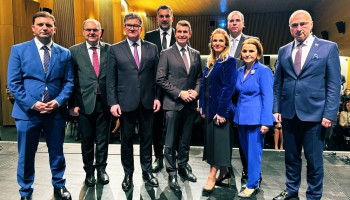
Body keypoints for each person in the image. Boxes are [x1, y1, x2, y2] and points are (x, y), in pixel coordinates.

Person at [273, 10, 341, 200]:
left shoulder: (328, 48)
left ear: (311, 24)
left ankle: (313, 196)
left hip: (316, 115)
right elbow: (278, 83)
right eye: (294, 25)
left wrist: (330, 114)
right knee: (291, 158)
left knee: (314, 161)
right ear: (290, 28)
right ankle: (291, 190)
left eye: (303, 24)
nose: (299, 28)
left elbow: (333, 84)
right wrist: (276, 109)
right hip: (289, 113)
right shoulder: (284, 50)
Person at [7, 11, 74, 200]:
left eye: (48, 25)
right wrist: (33, 103)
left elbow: (69, 82)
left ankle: (59, 185)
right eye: (40, 24)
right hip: (27, 113)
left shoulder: (65, 53)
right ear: (33, 28)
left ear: (54, 29)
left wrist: (59, 101)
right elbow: (14, 83)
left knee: (57, 152)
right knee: (26, 155)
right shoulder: (18, 49)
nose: (44, 28)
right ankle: (26, 191)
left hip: (55, 112)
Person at [106, 12, 161, 192]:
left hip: (147, 102)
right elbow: (111, 79)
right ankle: (128, 174)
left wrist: (157, 97)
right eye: (128, 25)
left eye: (135, 25)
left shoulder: (152, 48)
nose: (132, 28)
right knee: (126, 141)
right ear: (124, 28)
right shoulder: (114, 49)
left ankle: (147, 172)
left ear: (141, 27)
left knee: (147, 140)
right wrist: (113, 102)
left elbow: (157, 77)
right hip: (125, 103)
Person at [156, 20, 202, 192]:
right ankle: (172, 172)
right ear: (176, 34)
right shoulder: (166, 53)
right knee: (170, 141)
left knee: (185, 141)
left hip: (190, 106)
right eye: (179, 31)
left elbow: (198, 77)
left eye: (185, 32)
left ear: (190, 34)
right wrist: (179, 93)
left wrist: (196, 92)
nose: (182, 34)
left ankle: (183, 167)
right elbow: (160, 79)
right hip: (172, 104)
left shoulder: (196, 54)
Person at [68, 19, 111, 187]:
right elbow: (71, 79)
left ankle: (101, 169)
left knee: (103, 140)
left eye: (95, 30)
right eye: (88, 30)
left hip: (105, 102)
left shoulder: (110, 50)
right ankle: (89, 171)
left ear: (101, 31)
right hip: (84, 103)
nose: (92, 32)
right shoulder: (74, 51)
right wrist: (72, 104)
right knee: (87, 141)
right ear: (83, 31)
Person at [226, 10, 264, 188]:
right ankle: (226, 169)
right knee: (234, 138)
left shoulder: (252, 41)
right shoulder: (222, 41)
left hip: (247, 96)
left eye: (237, 21)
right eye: (231, 21)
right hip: (229, 97)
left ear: (243, 23)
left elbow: (258, 72)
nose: (234, 23)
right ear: (228, 24)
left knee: (251, 142)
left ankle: (250, 172)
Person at [233, 38, 274, 197]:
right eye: (245, 51)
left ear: (258, 54)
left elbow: (268, 98)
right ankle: (252, 179)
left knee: (254, 154)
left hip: (256, 120)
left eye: (251, 51)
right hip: (241, 119)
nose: (247, 54)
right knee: (245, 153)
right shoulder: (238, 71)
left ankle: (252, 184)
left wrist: (266, 122)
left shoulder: (264, 71)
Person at [199, 28, 237, 196]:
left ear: (226, 43)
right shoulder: (210, 62)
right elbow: (204, 86)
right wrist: (201, 105)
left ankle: (212, 176)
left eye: (221, 40)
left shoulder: (229, 62)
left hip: (220, 111)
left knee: (218, 145)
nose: (218, 43)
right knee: (212, 143)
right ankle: (224, 172)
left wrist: (221, 112)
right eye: (215, 40)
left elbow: (229, 88)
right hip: (208, 109)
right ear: (211, 43)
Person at [144, 5, 176, 173]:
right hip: (154, 88)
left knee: (173, 124)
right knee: (156, 124)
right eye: (161, 16)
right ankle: (158, 156)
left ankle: (173, 156)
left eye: (167, 16)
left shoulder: (180, 35)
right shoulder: (149, 36)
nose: (164, 19)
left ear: (172, 18)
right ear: (157, 19)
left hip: (174, 88)